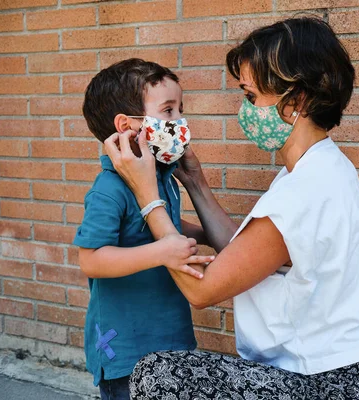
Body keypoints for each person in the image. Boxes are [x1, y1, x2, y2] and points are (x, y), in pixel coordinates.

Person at [106, 18, 359, 399]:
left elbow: (202, 291)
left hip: (334, 385)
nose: (244, 109)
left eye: (251, 97)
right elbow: (243, 254)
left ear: (295, 102)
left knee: (158, 375)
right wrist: (196, 181)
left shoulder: (305, 190)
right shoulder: (322, 166)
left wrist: (147, 195)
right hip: (355, 374)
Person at [73, 58, 214, 400]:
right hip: (128, 353)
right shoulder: (109, 189)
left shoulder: (162, 178)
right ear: (127, 127)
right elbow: (91, 259)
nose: (179, 121)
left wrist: (206, 235)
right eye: (168, 111)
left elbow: (160, 227)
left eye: (181, 109)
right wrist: (162, 252)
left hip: (173, 338)